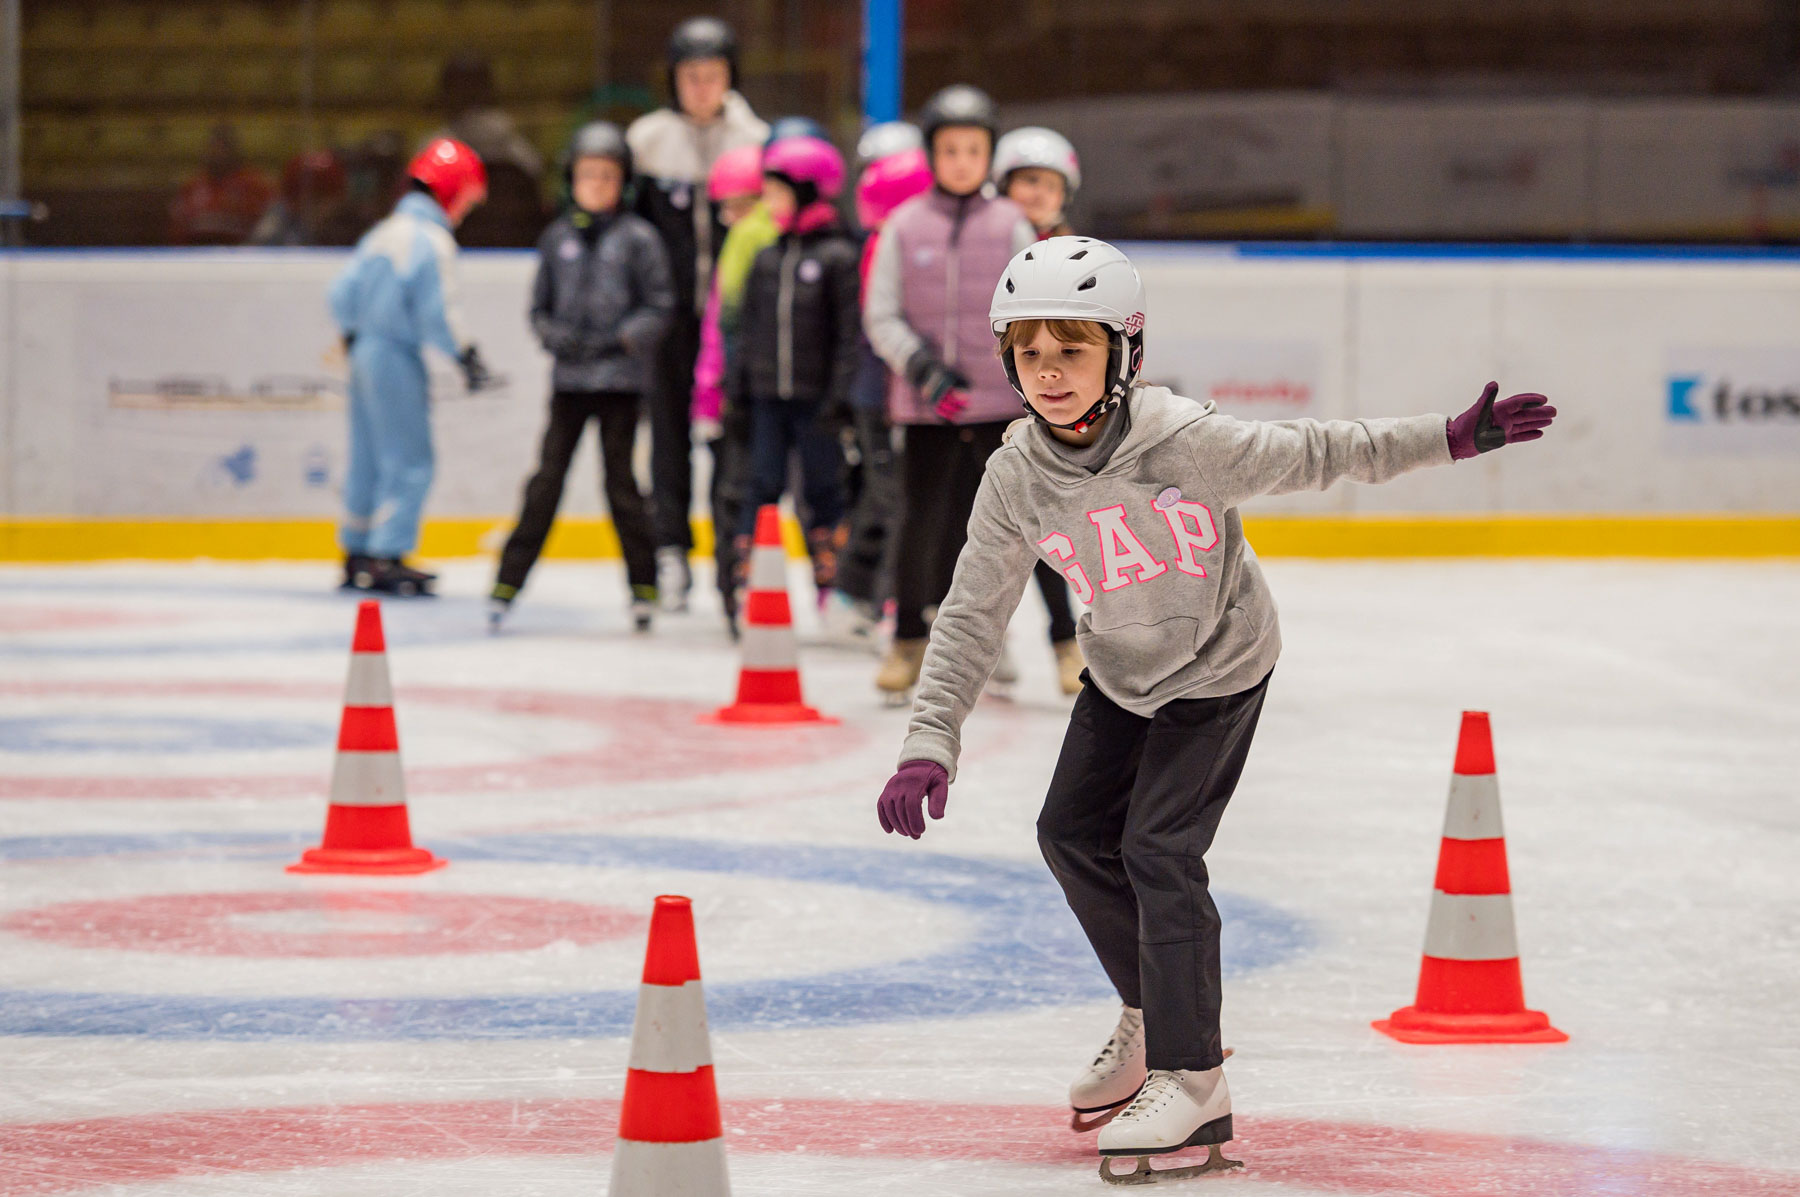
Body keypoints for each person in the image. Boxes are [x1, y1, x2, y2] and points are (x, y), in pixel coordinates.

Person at [874, 237, 1557, 1181]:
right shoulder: (1016, 476)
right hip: (1122, 671)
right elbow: (970, 613)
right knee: (1070, 834)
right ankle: (1155, 1012)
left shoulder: (1187, 442)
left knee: (1158, 847)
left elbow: (1322, 450)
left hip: (1220, 663)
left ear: (1125, 352)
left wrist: (1448, 435)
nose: (1049, 372)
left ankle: (1193, 1079)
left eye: (1071, 348)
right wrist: (929, 741)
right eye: (1029, 352)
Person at [861, 83, 1035, 702]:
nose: (961, 161)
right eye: (950, 149)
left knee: (991, 530)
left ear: (989, 155)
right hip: (927, 405)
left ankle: (990, 637)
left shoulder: (1011, 225)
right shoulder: (904, 226)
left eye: (973, 150)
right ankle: (907, 638)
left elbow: (1031, 308)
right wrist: (922, 369)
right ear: (932, 154)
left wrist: (1017, 377)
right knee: (919, 522)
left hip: (997, 408)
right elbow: (881, 314)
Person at [488, 122, 674, 633]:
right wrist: (557, 338)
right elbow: (539, 309)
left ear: (624, 182)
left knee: (621, 485)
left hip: (620, 386)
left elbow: (660, 306)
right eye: (588, 174)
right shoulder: (557, 239)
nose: (596, 185)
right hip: (569, 384)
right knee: (546, 482)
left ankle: (644, 585)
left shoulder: (639, 240)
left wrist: (621, 340)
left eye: (607, 176)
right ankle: (507, 582)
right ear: (571, 179)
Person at [627, 16, 769, 612]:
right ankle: (671, 551)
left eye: (713, 75)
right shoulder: (648, 140)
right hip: (670, 317)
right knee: (667, 432)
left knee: (728, 438)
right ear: (674, 79)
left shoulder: (754, 138)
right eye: (691, 76)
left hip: (731, 320)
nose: (702, 87)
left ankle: (726, 557)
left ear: (730, 76)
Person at [328, 138, 493, 596]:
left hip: (364, 352)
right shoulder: (432, 240)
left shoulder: (383, 232)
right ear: (452, 191)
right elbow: (438, 311)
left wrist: (355, 333)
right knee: (410, 458)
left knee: (366, 455)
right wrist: (465, 353)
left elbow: (339, 294)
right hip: (396, 356)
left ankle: (357, 550)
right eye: (466, 200)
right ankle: (389, 553)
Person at [730, 136, 860, 603]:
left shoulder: (838, 257)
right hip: (768, 399)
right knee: (761, 485)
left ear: (807, 191)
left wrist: (839, 396)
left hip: (817, 400)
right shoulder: (768, 258)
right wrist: (737, 391)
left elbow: (849, 335)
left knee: (824, 490)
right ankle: (749, 584)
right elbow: (748, 330)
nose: (769, 203)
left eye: (777, 193)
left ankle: (834, 588)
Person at [995, 125, 1088, 694]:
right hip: (984, 406)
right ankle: (990, 640)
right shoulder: (983, 242)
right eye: (1026, 180)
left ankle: (1065, 641)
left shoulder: (1076, 255)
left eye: (1049, 185)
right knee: (984, 533)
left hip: (1046, 408)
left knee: (1049, 530)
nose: (1036, 193)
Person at [829, 138, 931, 643]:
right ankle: (883, 597)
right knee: (895, 498)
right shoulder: (888, 244)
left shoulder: (885, 240)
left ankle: (858, 592)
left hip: (886, 390)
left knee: (886, 494)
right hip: (887, 391)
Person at [691, 143, 767, 636]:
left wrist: (708, 394)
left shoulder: (746, 238)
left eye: (737, 205)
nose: (729, 218)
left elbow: (721, 326)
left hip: (740, 392)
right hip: (757, 390)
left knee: (734, 493)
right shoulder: (756, 237)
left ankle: (731, 591)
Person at [169, 123, 275, 246]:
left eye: (222, 148)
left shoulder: (255, 186)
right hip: (197, 253)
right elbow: (177, 229)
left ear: (234, 151)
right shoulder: (192, 187)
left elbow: (269, 228)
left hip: (242, 253)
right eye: (213, 147)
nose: (217, 153)